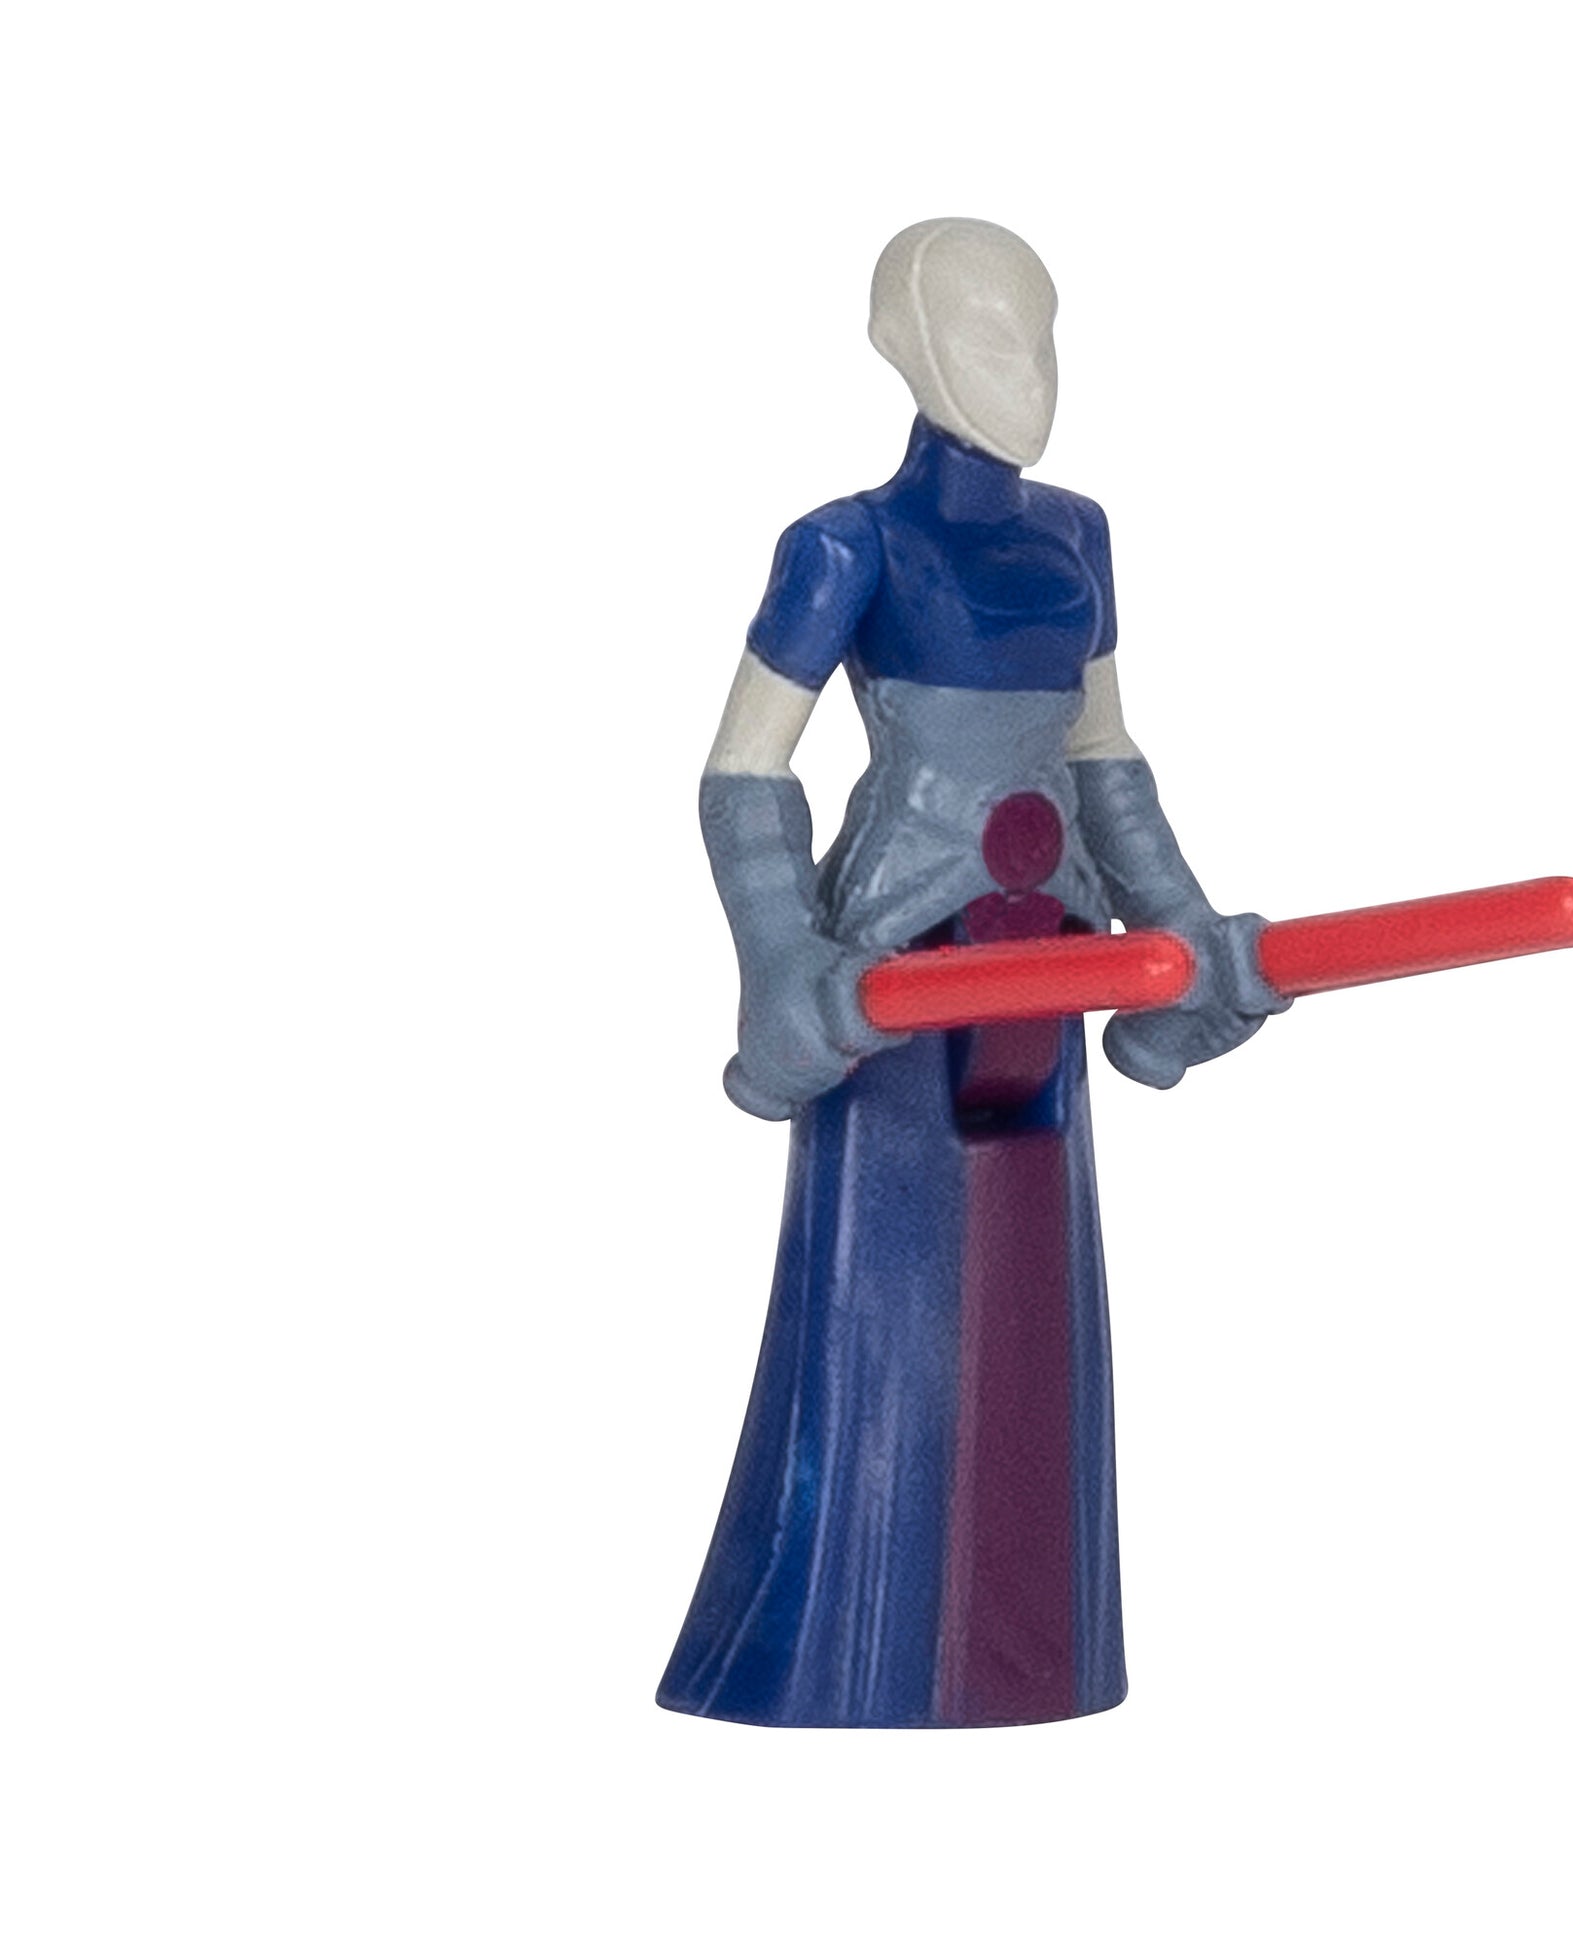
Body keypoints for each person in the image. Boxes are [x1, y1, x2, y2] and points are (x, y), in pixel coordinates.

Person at [658, 219, 1287, 1727]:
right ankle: (842, 1648)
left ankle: (1029, 1653)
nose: (1031, 374)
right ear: (909, 346)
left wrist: (1185, 929)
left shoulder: (1078, 535)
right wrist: (783, 956)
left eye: (1044, 336)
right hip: (898, 965)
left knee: (1030, 1300)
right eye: (992, 337)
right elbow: (745, 769)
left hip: (1052, 956)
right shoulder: (844, 544)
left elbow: (1105, 753)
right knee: (886, 1307)